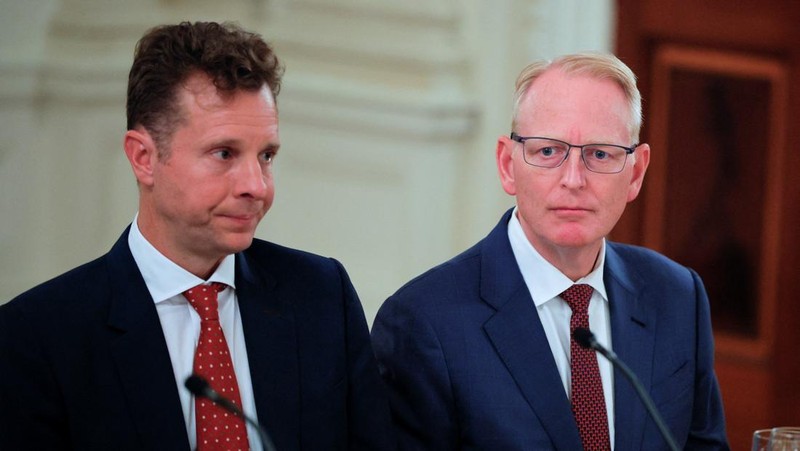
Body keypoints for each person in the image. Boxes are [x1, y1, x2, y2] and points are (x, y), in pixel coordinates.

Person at [0, 21, 392, 451]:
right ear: (144, 158)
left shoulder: (321, 296)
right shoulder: (38, 337)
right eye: (224, 153)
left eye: (266, 155)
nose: (256, 186)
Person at [371, 53, 729, 450]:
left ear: (637, 173)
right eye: (548, 152)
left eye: (599, 154)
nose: (573, 180)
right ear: (508, 164)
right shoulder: (424, 324)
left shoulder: (677, 297)